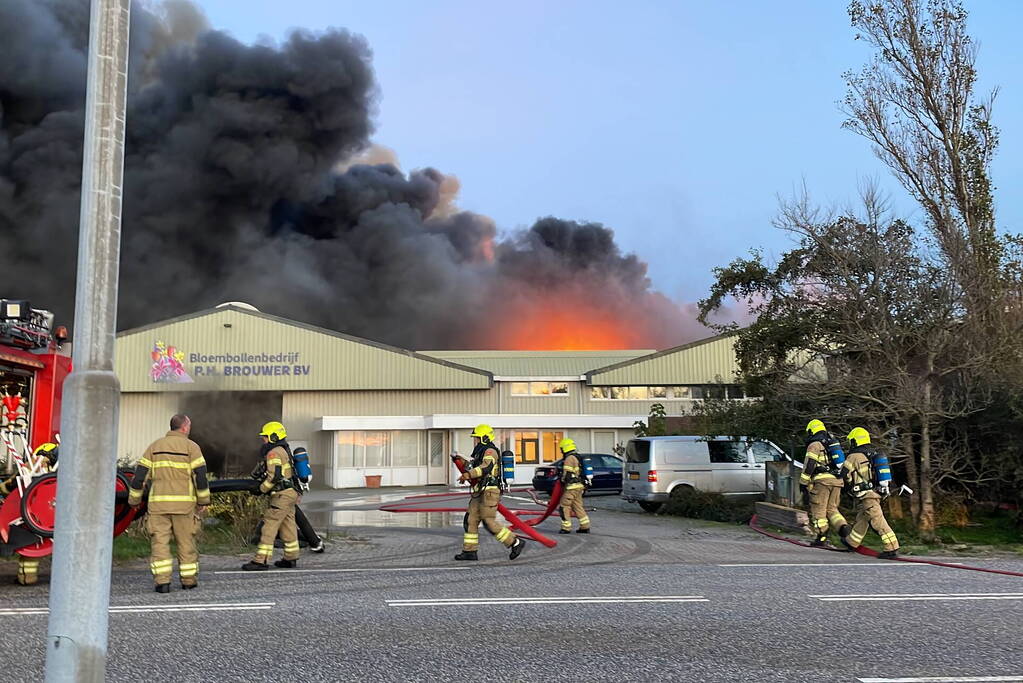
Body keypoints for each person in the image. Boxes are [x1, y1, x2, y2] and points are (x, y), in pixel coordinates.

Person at [128, 415, 210, 592]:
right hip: (184, 507)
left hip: (158, 507)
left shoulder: (155, 447)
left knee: (160, 544)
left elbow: (139, 477)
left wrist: (134, 501)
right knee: (186, 543)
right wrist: (203, 501)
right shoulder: (192, 447)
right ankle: (188, 581)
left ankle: (162, 582)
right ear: (185, 427)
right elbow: (201, 477)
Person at [453, 424, 524, 561]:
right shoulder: (480, 452)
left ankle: (515, 542)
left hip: (490, 492)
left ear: (485, 438)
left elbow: (486, 467)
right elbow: (472, 466)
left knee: (489, 522)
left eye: (477, 438)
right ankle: (470, 551)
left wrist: (468, 475)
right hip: (479, 491)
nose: (476, 441)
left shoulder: (490, 451)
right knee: (470, 520)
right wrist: (459, 460)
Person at [242, 421, 301, 570]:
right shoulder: (284, 450)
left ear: (274, 437)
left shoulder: (273, 452)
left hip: (281, 495)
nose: (264, 440)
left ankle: (261, 561)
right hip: (290, 493)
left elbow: (274, 477)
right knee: (288, 525)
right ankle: (291, 557)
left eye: (266, 437)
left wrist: (261, 489)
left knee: (269, 525)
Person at [1, 442, 59, 585]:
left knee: (28, 550)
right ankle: (27, 577)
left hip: (26, 520)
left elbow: (7, 488)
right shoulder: (54, 478)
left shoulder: (28, 472)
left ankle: (26, 577)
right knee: (30, 551)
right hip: (38, 523)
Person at [841, 427, 899, 559]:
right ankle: (851, 542)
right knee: (862, 519)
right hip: (874, 492)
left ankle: (892, 547)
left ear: (855, 441)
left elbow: (843, 474)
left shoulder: (854, 456)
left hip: (867, 495)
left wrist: (844, 489)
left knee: (877, 521)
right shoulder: (871, 454)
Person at [799, 419, 850, 548]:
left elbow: (810, 464)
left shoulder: (814, 444)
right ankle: (843, 527)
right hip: (837, 481)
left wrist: (803, 483)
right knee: (832, 509)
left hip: (822, 482)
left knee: (818, 509)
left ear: (811, 431)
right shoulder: (832, 443)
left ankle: (821, 536)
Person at [556, 438, 591, 534]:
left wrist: (561, 480)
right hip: (579, 487)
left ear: (565, 448)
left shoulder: (569, 458)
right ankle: (585, 526)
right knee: (578, 506)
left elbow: (567, 474)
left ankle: (566, 528)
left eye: (562, 448)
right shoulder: (577, 457)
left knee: (564, 506)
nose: (561, 451)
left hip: (571, 488)